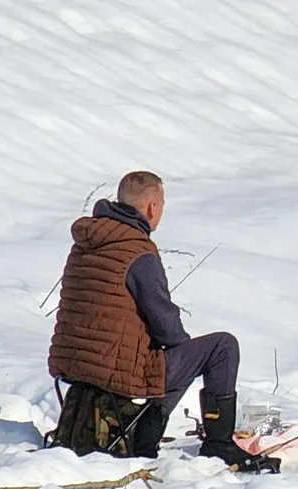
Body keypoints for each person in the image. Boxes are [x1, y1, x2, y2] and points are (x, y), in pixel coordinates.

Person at [48, 171, 278, 472]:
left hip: (74, 368)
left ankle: (145, 429)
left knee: (165, 357)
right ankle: (217, 444)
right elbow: (165, 322)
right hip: (116, 374)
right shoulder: (138, 251)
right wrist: (186, 356)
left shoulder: (84, 245)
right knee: (222, 347)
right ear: (152, 207)